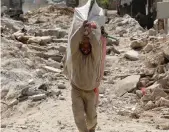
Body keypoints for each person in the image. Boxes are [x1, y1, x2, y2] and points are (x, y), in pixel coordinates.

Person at [63, 19, 106, 132]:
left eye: (88, 45)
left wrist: (90, 34)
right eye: (83, 44)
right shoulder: (76, 55)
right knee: (79, 116)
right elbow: (73, 42)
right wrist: (81, 29)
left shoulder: (94, 57)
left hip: (90, 91)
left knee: (91, 119)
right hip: (76, 89)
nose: (85, 47)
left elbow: (97, 46)